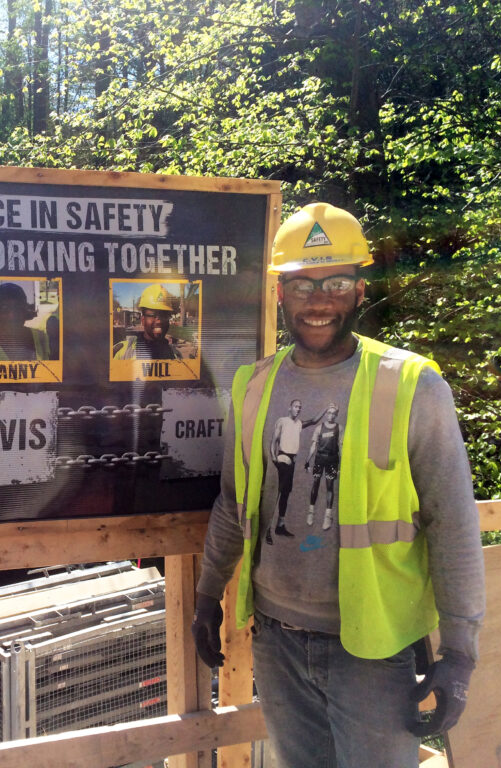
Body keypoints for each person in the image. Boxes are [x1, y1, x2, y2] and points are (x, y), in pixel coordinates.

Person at [190, 203, 485, 768]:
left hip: (374, 653)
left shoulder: (411, 386)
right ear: (280, 293)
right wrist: (207, 597)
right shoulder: (253, 386)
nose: (318, 300)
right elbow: (234, 505)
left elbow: (453, 522)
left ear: (358, 289)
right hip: (275, 640)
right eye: (303, 284)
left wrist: (461, 654)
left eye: (336, 281)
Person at [267, 398, 322, 542]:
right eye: (296, 406)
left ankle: (280, 526)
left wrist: (326, 409)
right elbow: (273, 441)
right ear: (289, 407)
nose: (298, 409)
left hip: (292, 461)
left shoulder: (299, 424)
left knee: (285, 493)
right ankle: (267, 530)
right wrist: (275, 459)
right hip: (282, 459)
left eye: (300, 407)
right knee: (278, 493)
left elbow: (314, 420)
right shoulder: (282, 421)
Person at [0, 283, 51, 361]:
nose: (12, 316)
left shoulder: (43, 339)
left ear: (24, 312)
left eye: (17, 308)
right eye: (5, 308)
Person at [112, 283, 181, 359]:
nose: (159, 321)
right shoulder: (122, 352)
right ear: (143, 319)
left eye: (164, 315)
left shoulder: (176, 356)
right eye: (153, 314)